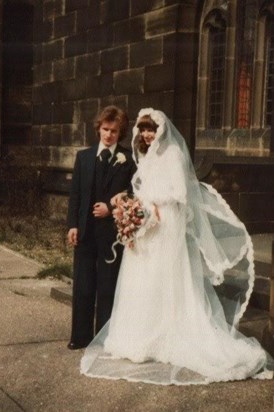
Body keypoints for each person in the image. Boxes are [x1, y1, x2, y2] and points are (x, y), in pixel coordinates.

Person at [80, 108, 273, 384]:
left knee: (163, 278)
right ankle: (138, 336)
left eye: (151, 129)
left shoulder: (174, 154)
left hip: (166, 224)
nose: (147, 135)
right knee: (142, 279)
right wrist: (133, 206)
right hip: (147, 223)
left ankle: (166, 334)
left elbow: (180, 193)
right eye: (143, 130)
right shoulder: (146, 156)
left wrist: (151, 205)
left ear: (162, 130)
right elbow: (142, 188)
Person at [67, 105, 136, 350]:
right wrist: (72, 225)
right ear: (99, 129)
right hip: (85, 230)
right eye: (105, 130)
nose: (109, 135)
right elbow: (75, 195)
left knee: (107, 285)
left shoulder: (127, 160)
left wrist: (110, 207)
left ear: (121, 133)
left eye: (114, 131)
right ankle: (80, 336)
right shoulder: (84, 157)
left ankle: (104, 338)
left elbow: (132, 194)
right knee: (83, 284)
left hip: (111, 233)